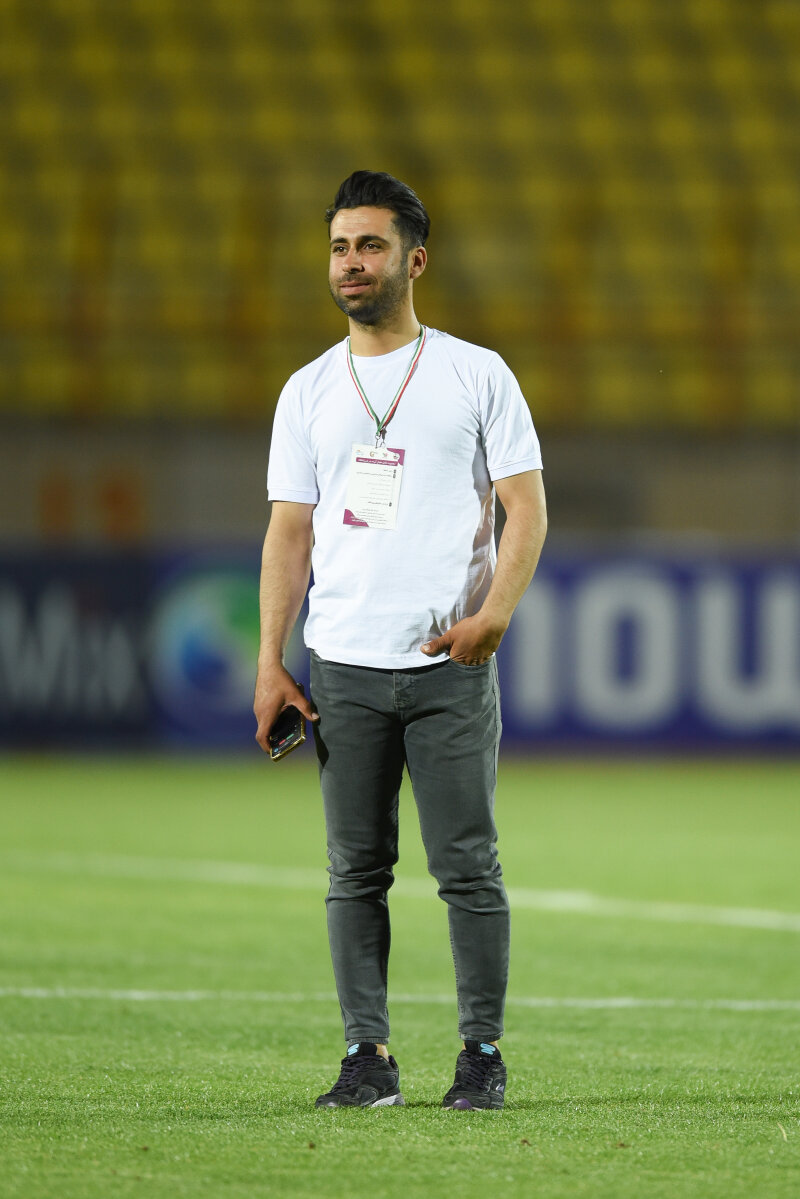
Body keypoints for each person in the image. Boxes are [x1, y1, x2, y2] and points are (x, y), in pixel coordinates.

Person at [254, 170, 547, 1111]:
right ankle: (366, 1058)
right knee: (354, 873)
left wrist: (494, 613)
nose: (351, 262)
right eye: (340, 246)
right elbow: (289, 534)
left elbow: (526, 507)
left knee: (468, 868)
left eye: (370, 245)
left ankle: (481, 1054)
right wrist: (270, 660)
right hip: (342, 668)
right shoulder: (307, 390)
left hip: (447, 666)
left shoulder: (476, 372)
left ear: (414, 261)